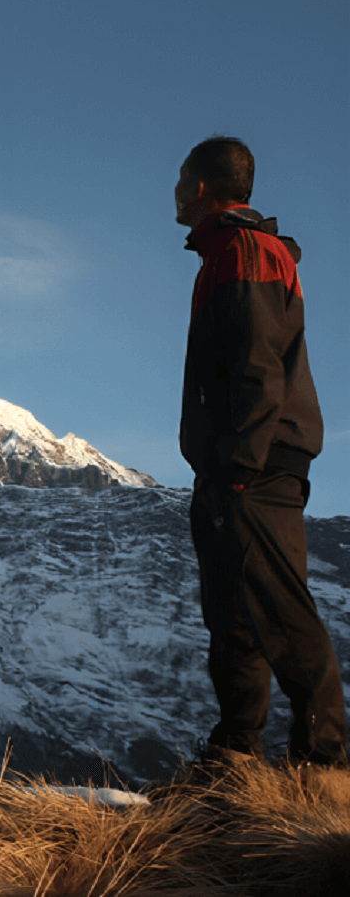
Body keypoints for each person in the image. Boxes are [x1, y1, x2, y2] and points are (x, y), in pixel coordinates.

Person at [176, 136, 347, 768]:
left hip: (258, 464)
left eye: (179, 178)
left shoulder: (248, 253)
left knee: (280, 609)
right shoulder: (228, 252)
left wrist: (239, 465)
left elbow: (257, 365)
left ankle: (326, 764)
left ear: (199, 188)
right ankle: (236, 758)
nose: (173, 190)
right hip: (237, 465)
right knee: (233, 614)